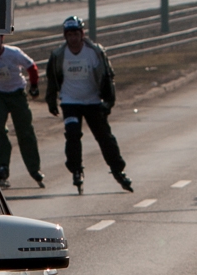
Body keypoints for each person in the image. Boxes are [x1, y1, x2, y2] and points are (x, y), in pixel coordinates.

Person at [45, 15, 132, 194]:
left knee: (104, 137)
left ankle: (118, 169)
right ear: (65, 37)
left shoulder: (94, 52)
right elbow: (52, 79)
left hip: (93, 102)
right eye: (69, 35)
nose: (73, 39)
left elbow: (107, 77)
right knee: (73, 134)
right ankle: (76, 169)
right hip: (70, 101)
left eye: (76, 34)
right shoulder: (59, 55)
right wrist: (51, 100)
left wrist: (109, 101)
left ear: (82, 34)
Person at [0, 34, 45, 189]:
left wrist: (34, 86)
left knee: (25, 131)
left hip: (16, 93)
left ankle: (34, 169)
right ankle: (2, 167)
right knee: (0, 127)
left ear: (2, 40)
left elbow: (31, 67)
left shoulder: (14, 53)